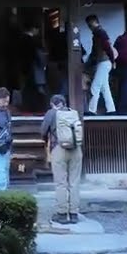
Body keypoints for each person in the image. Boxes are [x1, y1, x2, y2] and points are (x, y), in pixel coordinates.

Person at [39, 94, 83, 225]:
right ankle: (74, 214)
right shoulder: (73, 113)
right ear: (64, 103)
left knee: (61, 183)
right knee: (74, 182)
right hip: (76, 150)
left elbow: (43, 131)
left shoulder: (51, 113)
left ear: (52, 104)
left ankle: (62, 214)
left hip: (59, 149)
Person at [84, 15, 116, 115]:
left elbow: (107, 47)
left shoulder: (100, 33)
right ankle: (111, 109)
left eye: (89, 24)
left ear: (94, 22)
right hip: (104, 62)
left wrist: (112, 60)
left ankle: (92, 110)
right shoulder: (98, 33)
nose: (89, 27)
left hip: (104, 62)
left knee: (95, 86)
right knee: (104, 88)